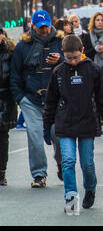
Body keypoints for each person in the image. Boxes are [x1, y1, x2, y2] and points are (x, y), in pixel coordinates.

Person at [43, 35, 103, 215]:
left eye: (75, 57)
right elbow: (51, 101)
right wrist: (47, 125)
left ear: (82, 51)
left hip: (87, 123)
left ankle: (90, 188)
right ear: (63, 54)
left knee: (87, 164)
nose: (73, 61)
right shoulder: (59, 72)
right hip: (65, 123)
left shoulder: (94, 70)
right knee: (67, 161)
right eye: (68, 58)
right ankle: (71, 196)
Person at [10, 10, 65, 188]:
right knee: (34, 138)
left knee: (58, 135)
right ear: (32, 26)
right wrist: (20, 98)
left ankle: (62, 165)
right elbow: (14, 74)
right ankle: (39, 174)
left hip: (56, 98)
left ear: (51, 24)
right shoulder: (22, 46)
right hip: (31, 98)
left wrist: (60, 59)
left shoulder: (61, 42)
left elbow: (74, 63)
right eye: (40, 27)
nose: (44, 30)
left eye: (46, 26)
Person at [0, 27, 18, 186]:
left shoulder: (11, 53)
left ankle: (1, 172)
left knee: (2, 136)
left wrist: (16, 98)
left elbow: (15, 77)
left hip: (5, 99)